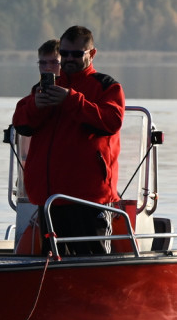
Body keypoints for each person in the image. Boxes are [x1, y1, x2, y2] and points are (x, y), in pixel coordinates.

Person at [12, 25, 125, 254]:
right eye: (64, 53)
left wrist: (71, 100)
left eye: (76, 53)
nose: (68, 58)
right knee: (53, 263)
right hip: (49, 198)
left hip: (89, 200)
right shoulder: (46, 87)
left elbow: (112, 121)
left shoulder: (106, 86)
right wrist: (37, 106)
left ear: (91, 54)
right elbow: (21, 122)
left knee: (92, 265)